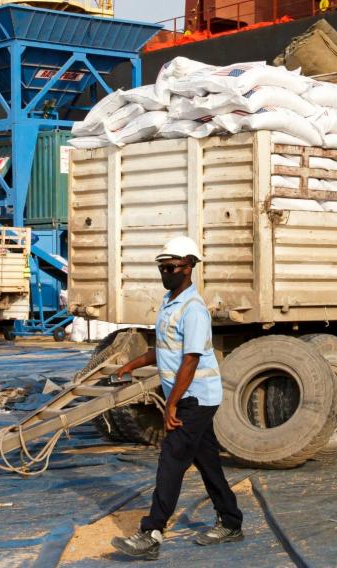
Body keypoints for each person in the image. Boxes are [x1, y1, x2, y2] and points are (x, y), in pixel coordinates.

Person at [111, 236, 243, 560]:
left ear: (189, 268)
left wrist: (171, 405)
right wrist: (132, 363)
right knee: (206, 460)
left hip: (195, 397)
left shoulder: (194, 309)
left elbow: (190, 359)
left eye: (171, 267)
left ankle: (152, 532)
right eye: (162, 267)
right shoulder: (170, 301)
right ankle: (230, 521)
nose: (165, 272)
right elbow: (164, 349)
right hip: (186, 396)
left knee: (171, 458)